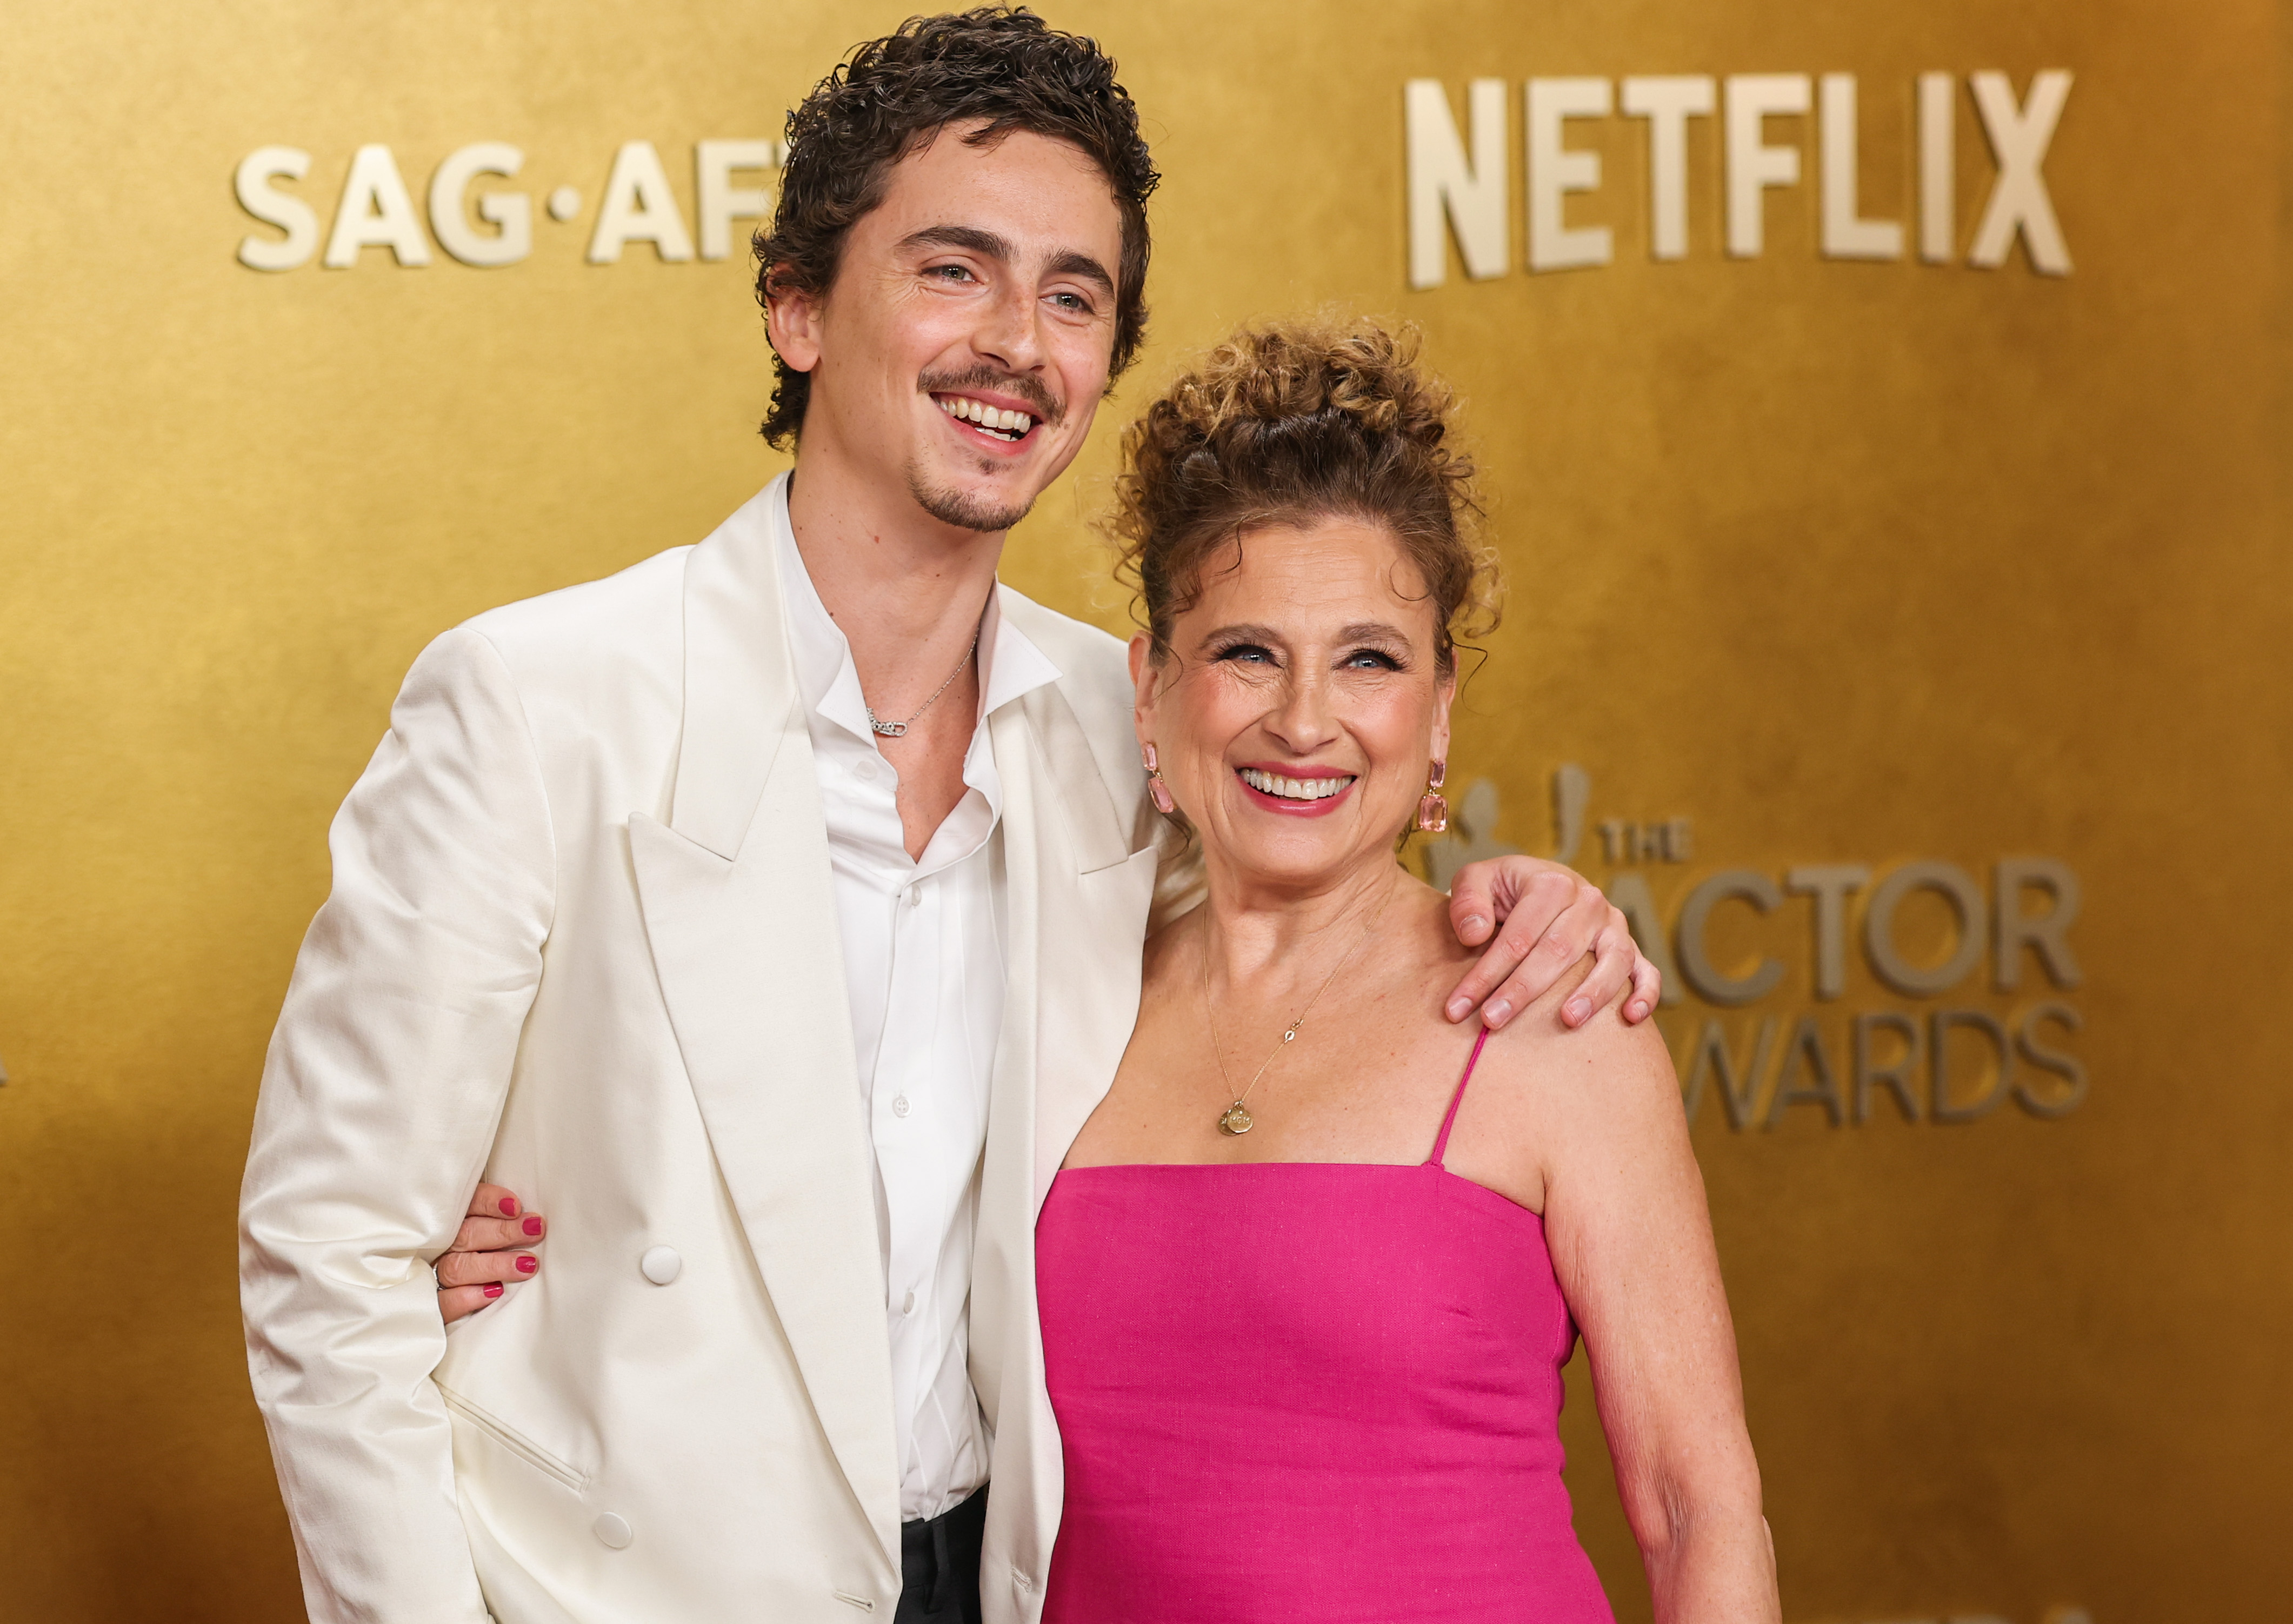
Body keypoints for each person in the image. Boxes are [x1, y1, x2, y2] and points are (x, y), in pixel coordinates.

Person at [236, 12, 1658, 1624]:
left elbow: (1330, 893)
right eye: (951, 269)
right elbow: (334, 1255)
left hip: (993, 1579)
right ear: (794, 307)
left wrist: (1535, 904)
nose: (1017, 340)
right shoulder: (537, 702)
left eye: (1073, 294)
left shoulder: (1122, 734)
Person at [1035, 319, 1779, 1622]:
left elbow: (1695, 1510)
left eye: (1368, 659)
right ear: (1152, 686)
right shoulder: (1041, 998)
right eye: (1246, 651)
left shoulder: (1552, 1013)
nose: (1305, 720)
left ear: (1437, 711)